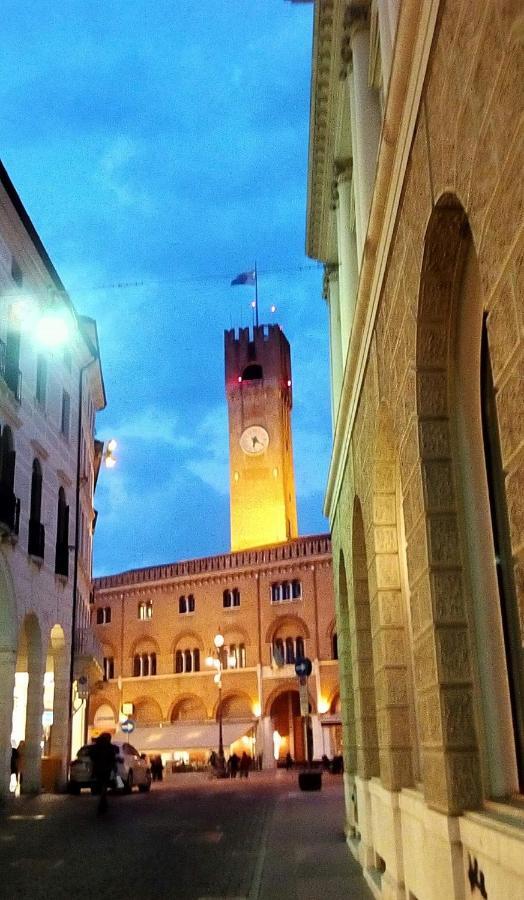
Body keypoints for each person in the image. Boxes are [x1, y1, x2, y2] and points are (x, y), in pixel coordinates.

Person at [89, 733, 117, 815]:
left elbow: (92, 756)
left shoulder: (96, 746)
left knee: (101, 783)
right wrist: (113, 767)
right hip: (106, 769)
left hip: (98, 768)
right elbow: (113, 758)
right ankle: (103, 798)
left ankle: (102, 798)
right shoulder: (109, 747)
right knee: (104, 784)